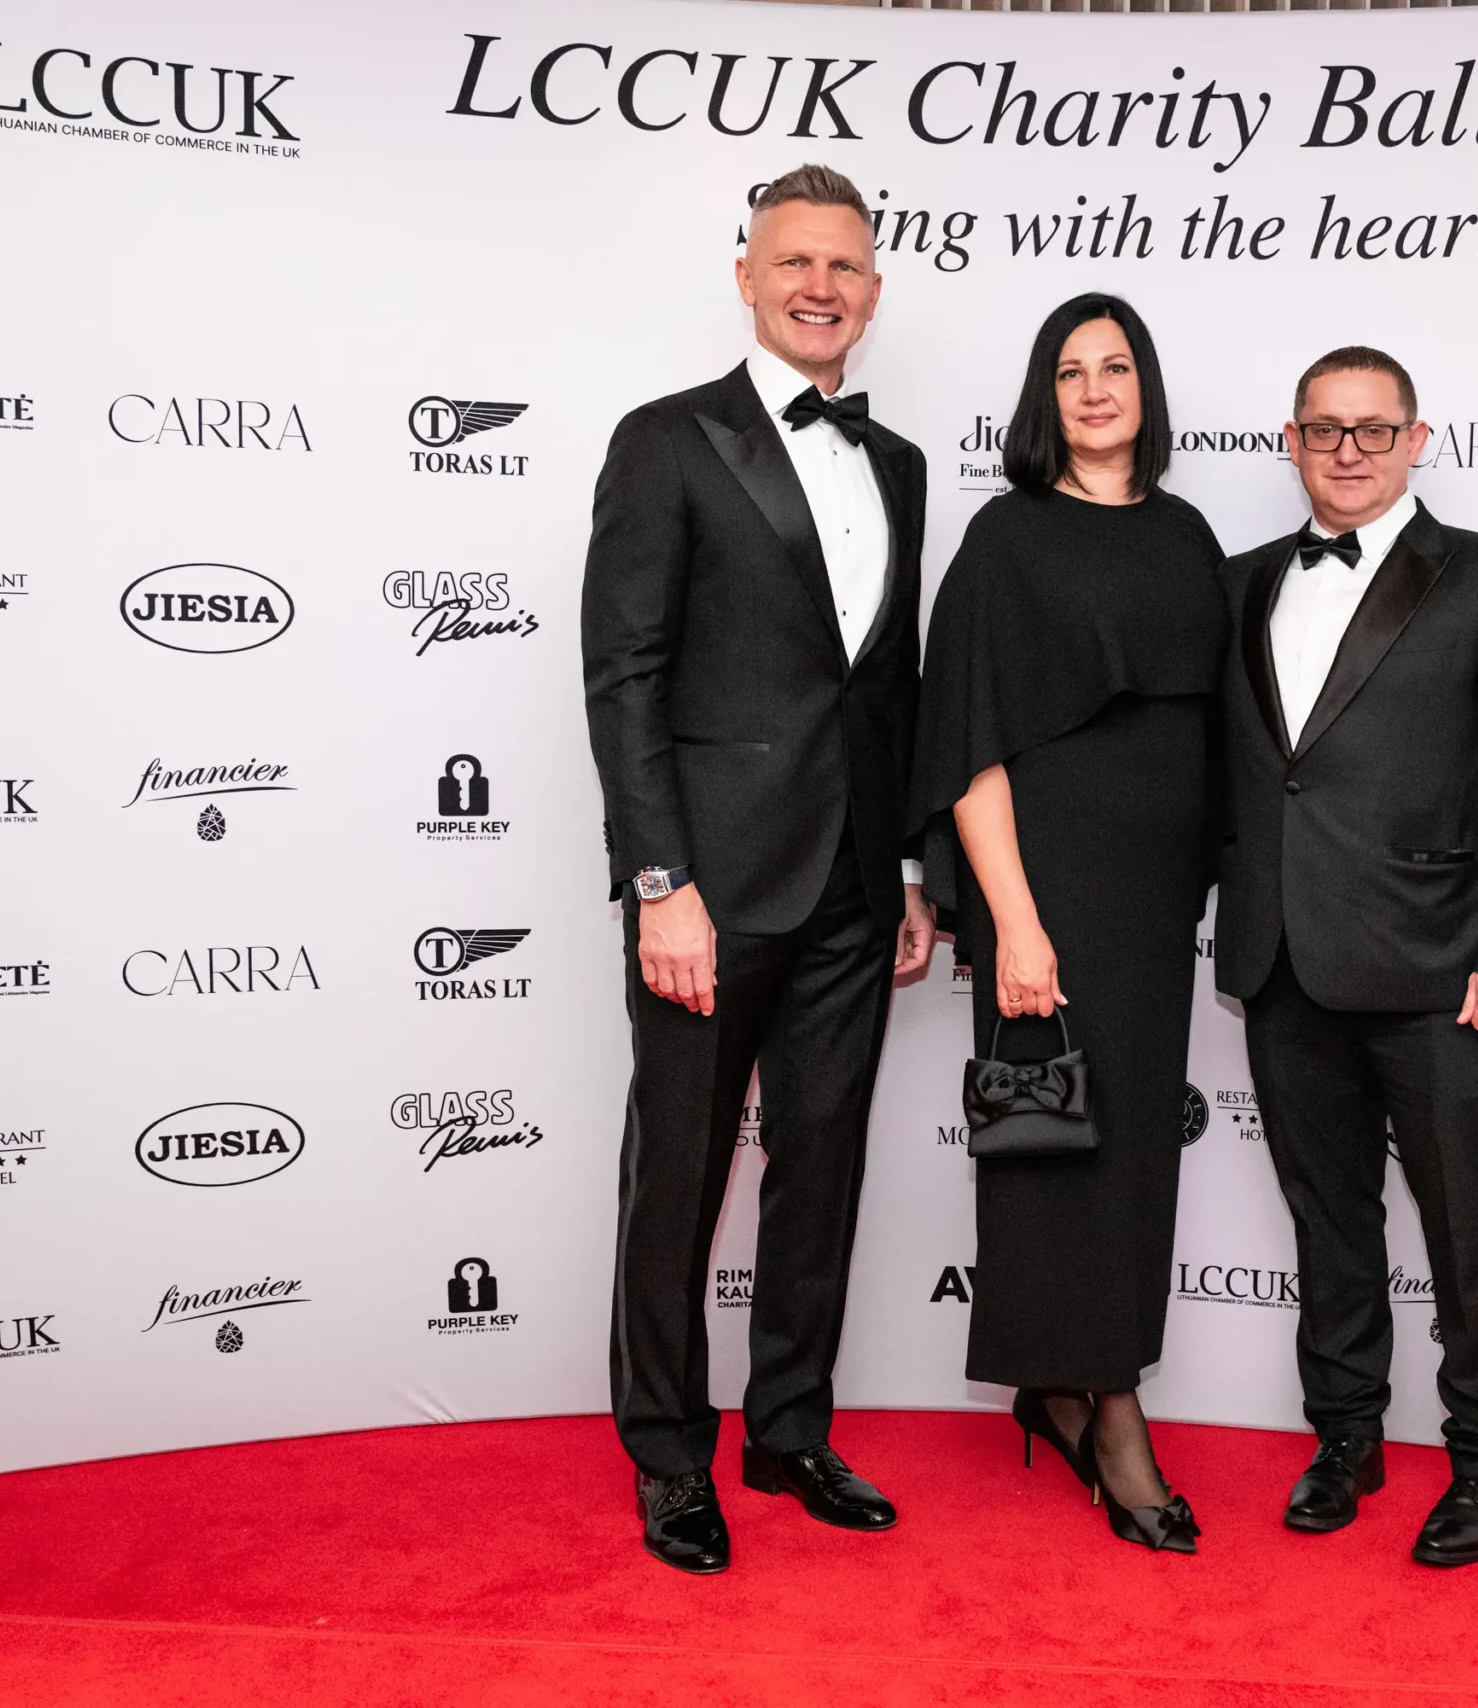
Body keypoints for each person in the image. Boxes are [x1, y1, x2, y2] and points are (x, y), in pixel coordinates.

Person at [579, 163, 937, 1576]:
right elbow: (624, 674)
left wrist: (902, 867)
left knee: (823, 1167)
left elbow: (886, 688)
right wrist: (659, 882)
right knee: (678, 1179)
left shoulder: (898, 463)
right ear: (745, 277)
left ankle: (789, 1428)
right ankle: (670, 1455)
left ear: (873, 290)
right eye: (793, 261)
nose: (818, 287)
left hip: (852, 885)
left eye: (842, 265)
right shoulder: (666, 441)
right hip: (710, 895)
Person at [1215, 346, 1478, 1567]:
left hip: (1441, 970)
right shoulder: (1240, 582)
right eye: (1324, 429)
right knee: (1327, 1219)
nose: (1349, 451)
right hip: (1283, 961)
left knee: (1466, 1227)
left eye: (1373, 429)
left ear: (1416, 441)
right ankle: (1346, 1436)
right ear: (1292, 441)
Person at [910, 293, 1227, 1553]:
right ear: (1044, 397)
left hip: (1154, 902)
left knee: (1133, 1147)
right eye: (1069, 370)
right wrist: (1015, 925)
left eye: (1116, 366)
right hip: (1044, 893)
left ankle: (1057, 1381)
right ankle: (1110, 1410)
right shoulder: (1006, 539)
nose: (1095, 389)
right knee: (1051, 1145)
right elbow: (969, 749)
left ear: (1146, 388)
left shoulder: (1188, 534)